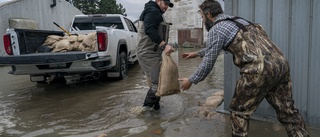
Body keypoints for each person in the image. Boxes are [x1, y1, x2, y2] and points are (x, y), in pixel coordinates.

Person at [178, 0, 310, 136]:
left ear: (209, 14)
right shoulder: (239, 21)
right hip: (280, 65)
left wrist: (191, 80)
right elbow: (216, 47)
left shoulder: (216, 29)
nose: (203, 21)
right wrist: (197, 53)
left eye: (202, 17)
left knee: (238, 112)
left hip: (257, 70)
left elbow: (208, 63)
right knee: (288, 111)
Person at [137, 0, 175, 110]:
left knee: (157, 81)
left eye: (168, 5)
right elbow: (149, 29)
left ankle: (156, 109)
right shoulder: (153, 11)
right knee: (157, 83)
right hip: (148, 53)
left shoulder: (154, 11)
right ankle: (145, 110)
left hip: (152, 53)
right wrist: (164, 45)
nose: (166, 7)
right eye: (165, 3)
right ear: (158, 1)